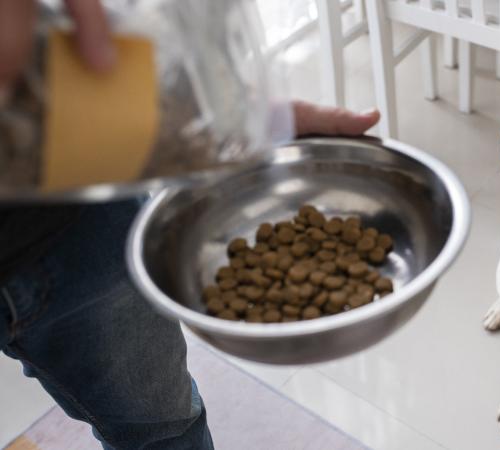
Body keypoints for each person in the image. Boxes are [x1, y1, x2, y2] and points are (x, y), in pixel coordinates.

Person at [0, 1, 380, 448]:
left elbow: (50, 99)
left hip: (71, 228)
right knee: (164, 430)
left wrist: (241, 125)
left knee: (164, 428)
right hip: (61, 238)